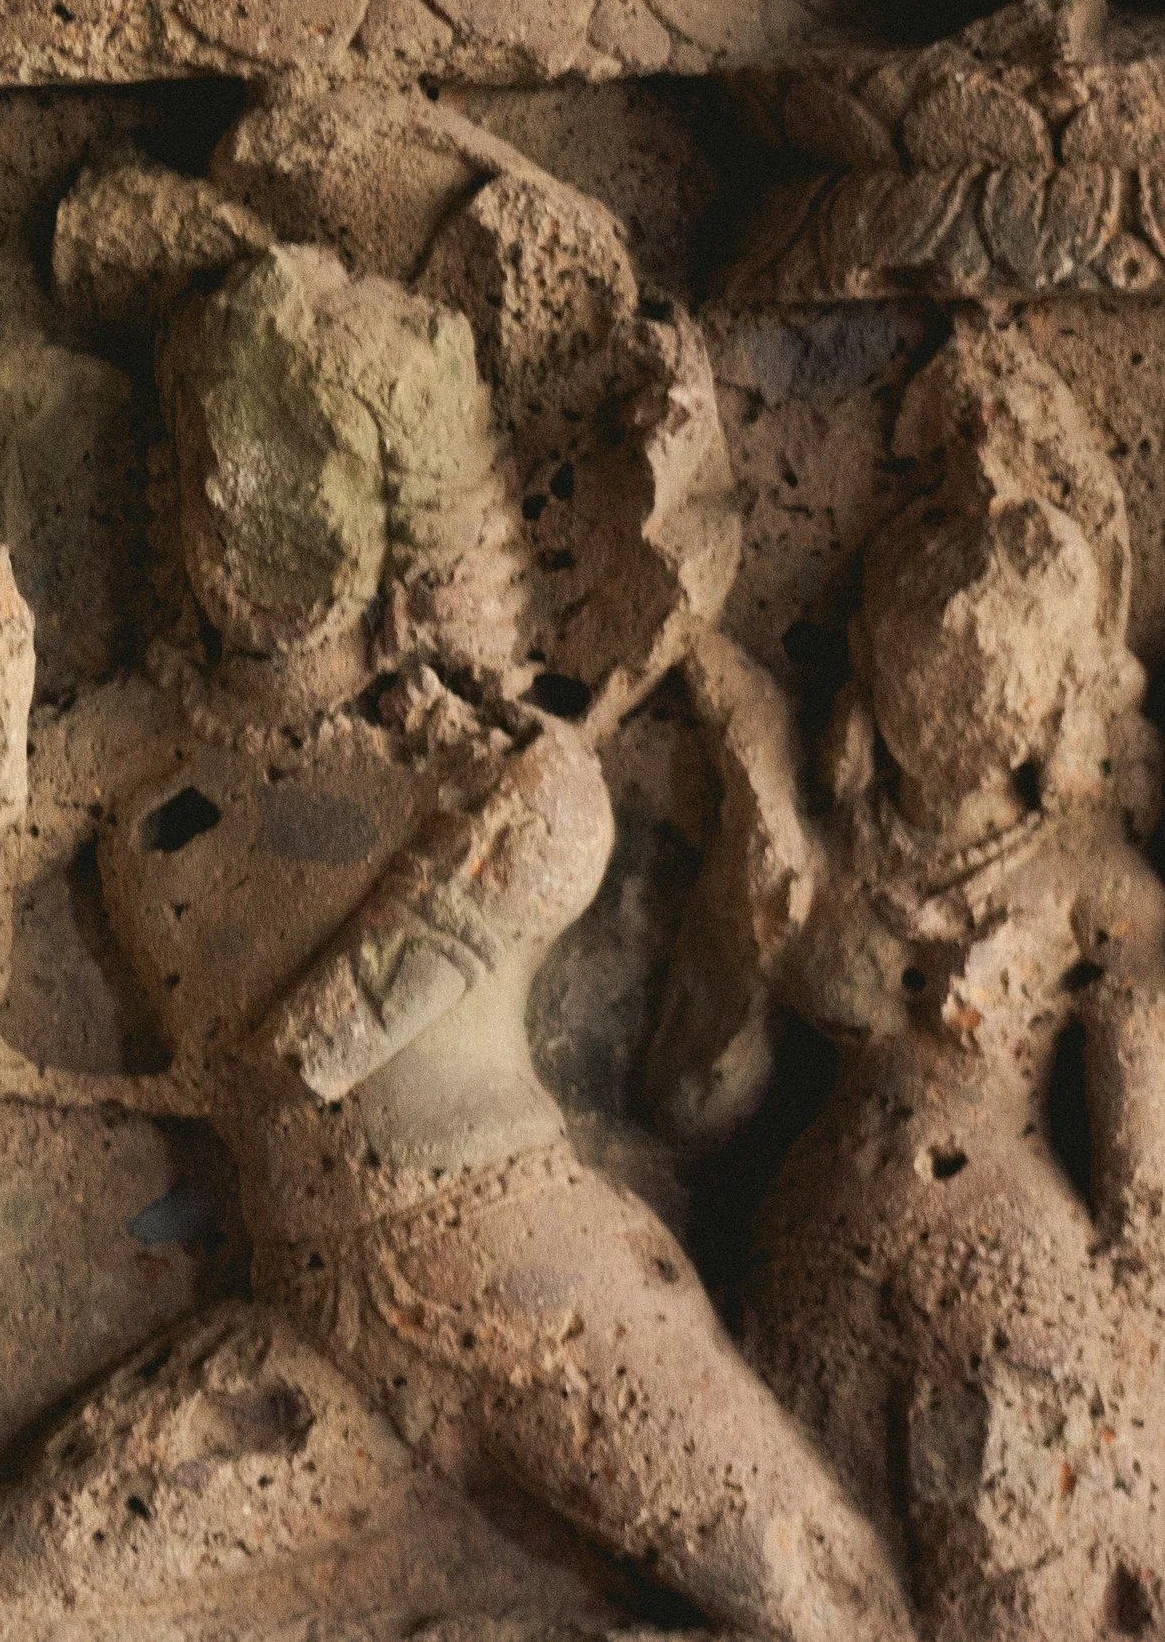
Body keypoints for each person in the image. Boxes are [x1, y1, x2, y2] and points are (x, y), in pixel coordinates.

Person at [78, 243, 915, 1642]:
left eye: (301, 468)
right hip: (312, 1319)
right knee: (7, 1572)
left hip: (528, 1275)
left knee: (812, 1590)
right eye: (217, 458)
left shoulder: (507, 782)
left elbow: (320, 1045)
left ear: (392, 510)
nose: (247, 506)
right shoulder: (151, 775)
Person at [655, 319, 1165, 1641]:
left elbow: (1140, 1121)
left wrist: (1135, 1258)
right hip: (814, 1272)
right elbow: (699, 1099)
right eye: (928, 668)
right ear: (870, 672)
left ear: (1057, 705)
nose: (955, 710)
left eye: (992, 684)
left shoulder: (1085, 886)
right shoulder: (824, 862)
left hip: (1010, 1296)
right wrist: (738, 927)